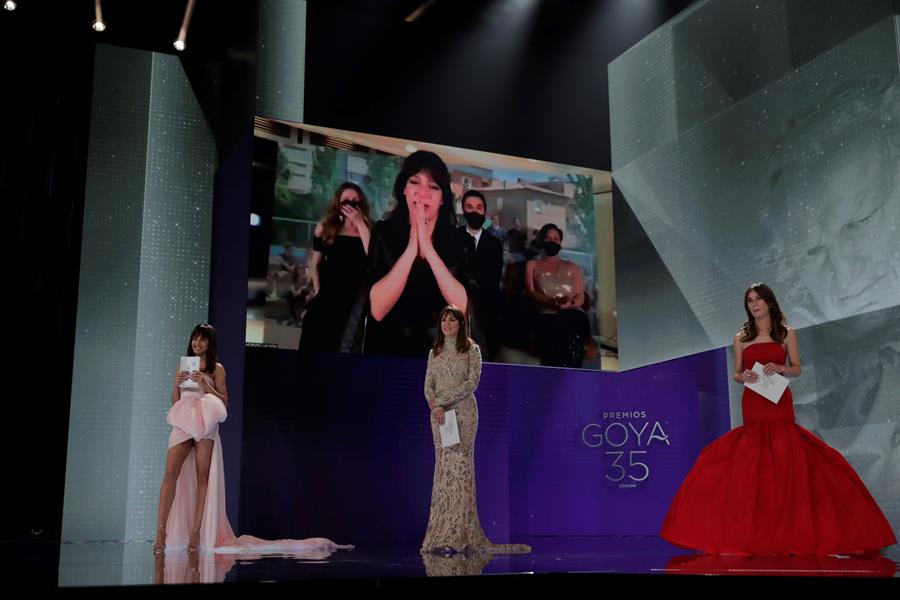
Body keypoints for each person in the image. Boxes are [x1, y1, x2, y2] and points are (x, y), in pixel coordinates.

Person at [660, 284, 896, 555]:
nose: (754, 304)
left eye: (758, 299)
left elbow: (796, 369)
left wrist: (781, 367)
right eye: (750, 301)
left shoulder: (785, 333)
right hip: (753, 399)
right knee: (753, 454)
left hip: (777, 399)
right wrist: (742, 376)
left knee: (785, 450)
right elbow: (736, 373)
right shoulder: (741, 337)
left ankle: (793, 528)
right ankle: (753, 529)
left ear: (769, 302)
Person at [154, 323, 351, 554]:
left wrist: (205, 384)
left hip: (205, 423)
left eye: (203, 339)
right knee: (170, 474)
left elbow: (224, 401)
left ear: (210, 343)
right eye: (195, 338)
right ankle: (161, 532)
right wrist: (177, 382)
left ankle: (196, 533)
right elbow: (175, 399)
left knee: (203, 477)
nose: (197, 343)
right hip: (183, 421)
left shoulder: (217, 368)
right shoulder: (183, 365)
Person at [421, 305, 530, 555]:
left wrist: (441, 401)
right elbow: (428, 385)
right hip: (439, 417)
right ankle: (439, 534)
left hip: (463, 413)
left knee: (460, 470)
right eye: (444, 320)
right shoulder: (434, 352)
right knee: (444, 471)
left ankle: (458, 534)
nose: (447, 324)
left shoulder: (471, 349)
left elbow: (472, 383)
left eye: (452, 320)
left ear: (461, 324)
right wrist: (435, 405)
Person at [365, 151, 468, 357]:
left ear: (442, 199)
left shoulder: (459, 240)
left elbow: (462, 307)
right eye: (414, 182)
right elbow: (377, 310)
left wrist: (428, 249)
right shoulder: (383, 232)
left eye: (433, 186)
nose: (423, 192)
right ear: (403, 189)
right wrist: (412, 247)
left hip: (442, 356)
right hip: (387, 351)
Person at [298, 182, 372, 352]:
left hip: (354, 295)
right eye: (346, 200)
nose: (350, 205)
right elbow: (315, 262)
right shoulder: (325, 226)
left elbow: (372, 255)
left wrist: (359, 223)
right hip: (328, 292)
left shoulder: (368, 227)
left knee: (344, 343)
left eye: (355, 201)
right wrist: (317, 290)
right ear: (338, 202)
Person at [525, 223, 590, 368]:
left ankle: (572, 373)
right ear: (541, 240)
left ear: (560, 243)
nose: (552, 241)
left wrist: (569, 304)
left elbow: (580, 296)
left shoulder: (572, 266)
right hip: (546, 314)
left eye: (556, 239)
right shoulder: (532, 265)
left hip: (572, 313)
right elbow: (531, 291)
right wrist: (551, 302)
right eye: (548, 238)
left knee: (574, 324)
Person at [459, 190, 503, 361]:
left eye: (479, 207)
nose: (475, 211)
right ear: (463, 210)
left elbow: (494, 280)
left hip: (485, 309)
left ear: (485, 211)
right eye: (469, 207)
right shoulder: (452, 238)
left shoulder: (494, 244)